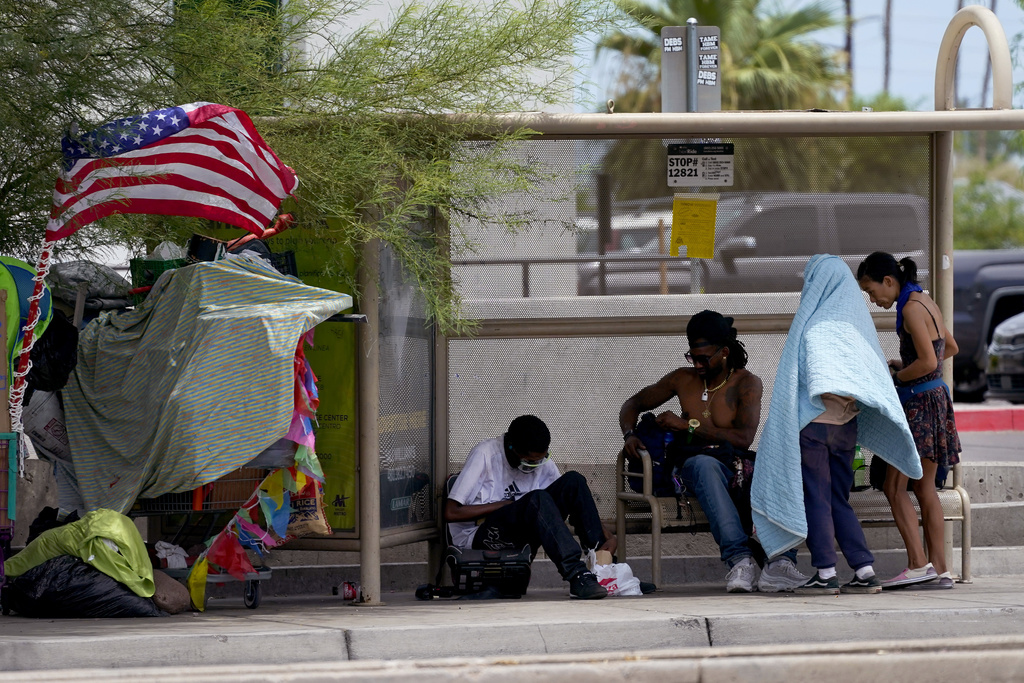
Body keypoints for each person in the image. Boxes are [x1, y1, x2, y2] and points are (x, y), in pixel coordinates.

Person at [752, 255, 920, 596]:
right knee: (838, 498)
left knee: (816, 497)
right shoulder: (857, 328)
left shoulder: (817, 326)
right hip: (847, 429)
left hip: (814, 426)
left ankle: (826, 571)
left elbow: (812, 378)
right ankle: (863, 568)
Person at [619, 310, 808, 593]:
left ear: (724, 352)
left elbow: (743, 438)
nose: (697, 364)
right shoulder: (681, 379)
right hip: (691, 467)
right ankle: (739, 560)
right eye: (691, 357)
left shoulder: (746, 383)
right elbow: (632, 404)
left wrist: (688, 426)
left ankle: (780, 562)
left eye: (703, 357)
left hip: (733, 461)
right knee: (703, 465)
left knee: (779, 468)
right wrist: (630, 434)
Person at [858, 252, 961, 590]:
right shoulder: (925, 300)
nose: (874, 300)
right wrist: (909, 361)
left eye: (873, 292)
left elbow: (930, 360)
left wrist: (901, 374)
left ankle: (918, 564)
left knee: (893, 486)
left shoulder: (910, 308)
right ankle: (941, 570)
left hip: (918, 404)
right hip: (937, 400)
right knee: (925, 486)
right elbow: (951, 347)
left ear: (889, 281)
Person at [446, 414, 615, 599]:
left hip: (523, 526)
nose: (535, 466)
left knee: (573, 482)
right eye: (529, 462)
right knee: (537, 499)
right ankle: (577, 575)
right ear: (511, 448)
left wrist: (606, 534)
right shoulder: (485, 454)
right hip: (481, 533)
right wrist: (501, 506)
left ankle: (604, 569)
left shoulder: (539, 459)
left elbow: (570, 501)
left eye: (539, 461)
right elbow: (451, 512)